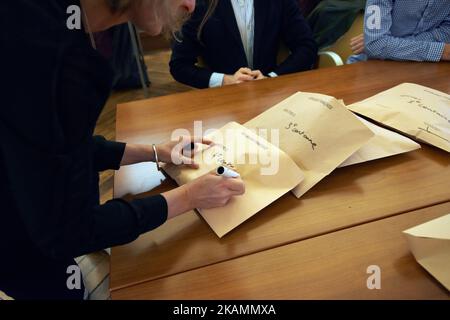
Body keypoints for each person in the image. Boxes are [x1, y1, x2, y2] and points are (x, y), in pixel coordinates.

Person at [0, 0, 245, 299]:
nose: (191, 5)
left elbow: (65, 149)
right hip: (20, 240)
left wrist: (157, 152)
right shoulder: (44, 49)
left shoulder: (59, 25)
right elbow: (67, 230)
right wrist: (189, 196)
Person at [169, 0, 318, 89]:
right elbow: (179, 65)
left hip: (272, 96)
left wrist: (272, 78)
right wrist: (224, 80)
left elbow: (306, 47)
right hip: (222, 102)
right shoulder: (199, 4)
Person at [348, 0, 450, 63]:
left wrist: (388, 43)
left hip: (424, 70)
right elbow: (375, 45)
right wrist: (440, 51)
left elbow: (445, 34)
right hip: (370, 67)